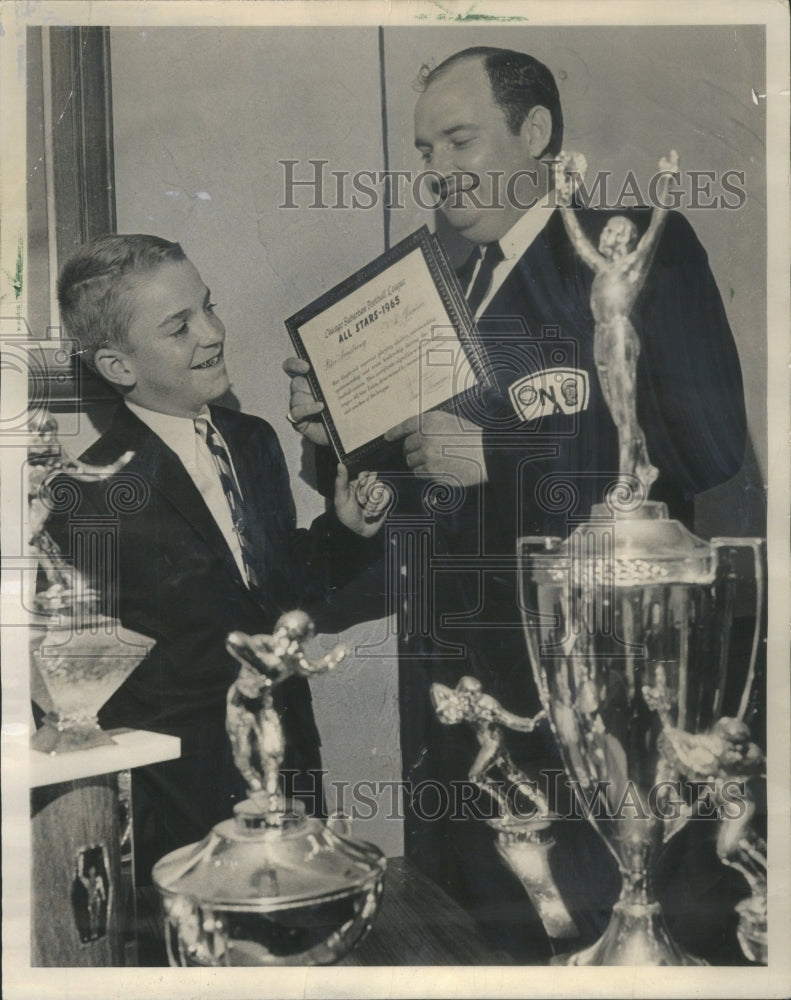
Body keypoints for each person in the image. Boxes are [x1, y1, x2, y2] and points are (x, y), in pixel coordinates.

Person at [284, 46, 749, 962]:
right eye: (424, 151)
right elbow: (418, 483)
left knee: (600, 941)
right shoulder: (440, 291)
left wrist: (498, 452)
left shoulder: (629, 244)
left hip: (584, 690)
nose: (437, 169)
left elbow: (704, 447)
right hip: (453, 700)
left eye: (460, 138)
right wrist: (326, 434)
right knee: (475, 945)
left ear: (534, 134)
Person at [45, 233, 390, 888]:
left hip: (286, 761)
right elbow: (84, 688)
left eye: (208, 306)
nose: (212, 332)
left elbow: (276, 583)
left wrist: (343, 531)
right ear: (119, 366)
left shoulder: (253, 441)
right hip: (180, 802)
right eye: (179, 327)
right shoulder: (85, 493)